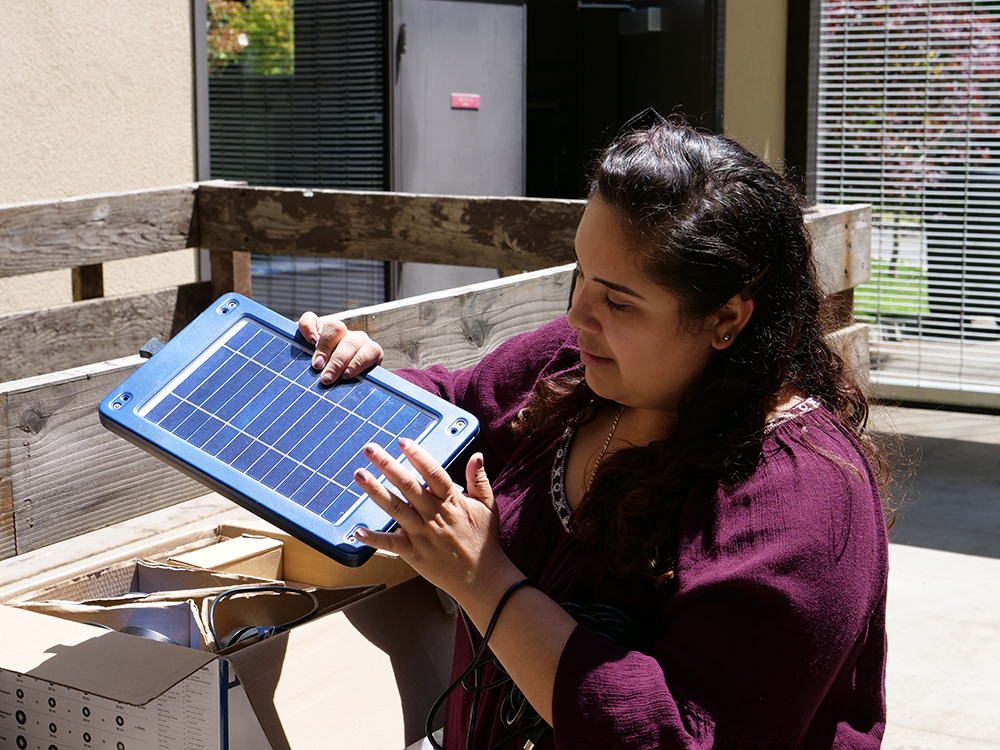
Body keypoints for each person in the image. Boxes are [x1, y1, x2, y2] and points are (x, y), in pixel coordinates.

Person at [298, 112, 890, 750]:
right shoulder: (580, 366)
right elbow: (459, 404)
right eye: (580, 272)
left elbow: (676, 736)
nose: (578, 314)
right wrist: (354, 372)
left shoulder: (807, 502)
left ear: (727, 319)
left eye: (620, 300)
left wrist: (483, 580)